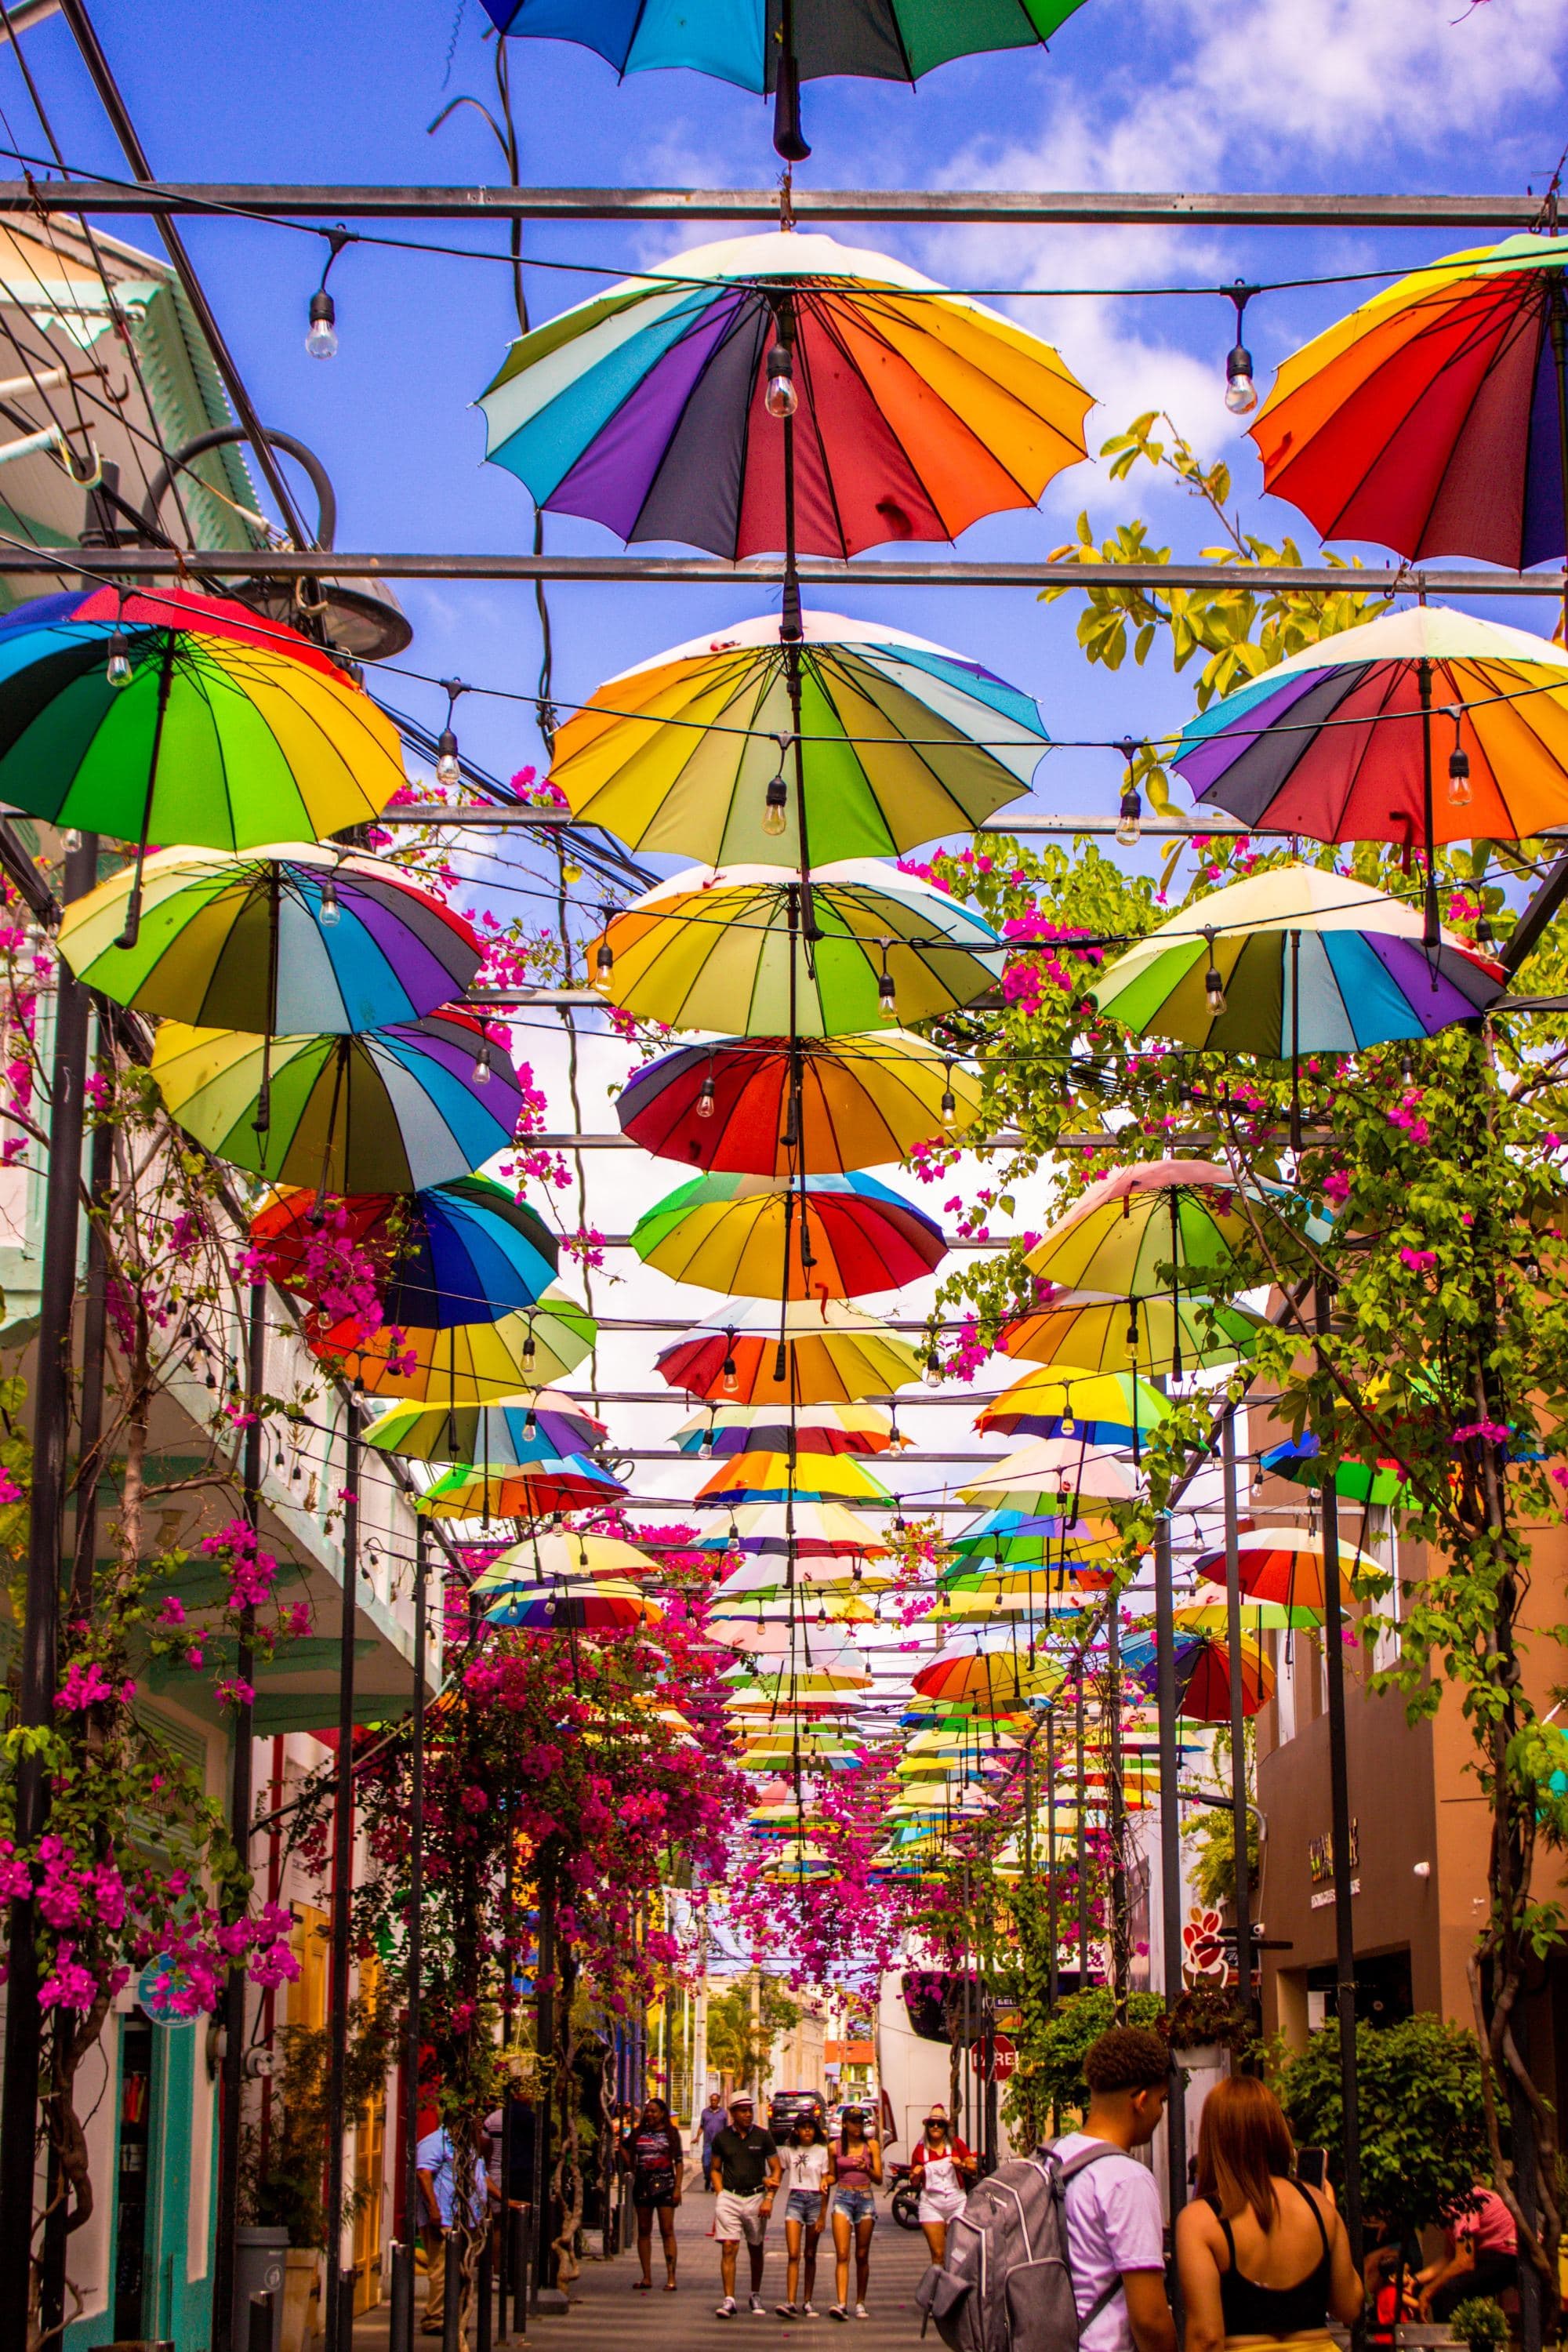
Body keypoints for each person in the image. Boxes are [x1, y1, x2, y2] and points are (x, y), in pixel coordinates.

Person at [1176, 2075, 1362, 2352]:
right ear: (1275, 2130)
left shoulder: (1202, 2220)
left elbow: (1207, 2337)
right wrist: (1330, 2219)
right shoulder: (1318, 2205)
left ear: (1214, 2138)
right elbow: (1348, 2306)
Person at [1048, 2026, 1178, 2352]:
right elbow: (1149, 2318)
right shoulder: (1127, 2179)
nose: (1161, 2112)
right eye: (1162, 2100)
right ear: (1142, 2100)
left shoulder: (1051, 2158)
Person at [415, 2116, 492, 2338]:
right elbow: (423, 2173)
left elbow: (482, 2176)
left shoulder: (469, 2146)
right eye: (474, 2120)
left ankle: (453, 2315)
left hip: (467, 2218)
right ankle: (435, 2318)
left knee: (460, 2268)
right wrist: (434, 2209)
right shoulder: (436, 2142)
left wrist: (503, 2201)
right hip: (444, 2219)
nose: (479, 2124)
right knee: (442, 2268)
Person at [710, 2091, 782, 2318]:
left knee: (755, 2247)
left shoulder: (762, 2136)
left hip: (756, 2197)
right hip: (730, 2197)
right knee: (729, 2246)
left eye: (750, 2110)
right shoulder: (722, 2138)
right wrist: (721, 2194)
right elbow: (715, 2168)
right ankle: (729, 2299)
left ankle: (755, 2293)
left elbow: (776, 2169)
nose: (748, 2114)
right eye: (743, 2111)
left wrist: (769, 2198)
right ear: (732, 2113)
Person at [1417, 2181, 1519, 2321]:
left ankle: (1453, 2341)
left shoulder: (1459, 2202)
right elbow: (1448, 2258)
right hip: (1487, 2256)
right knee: (1440, 2290)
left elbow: (1464, 2262)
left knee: (1447, 2291)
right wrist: (1415, 2281)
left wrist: (1428, 2291)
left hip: (1508, 2254)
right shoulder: (1446, 2211)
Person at [622, 2093, 684, 2293]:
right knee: (643, 2230)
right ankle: (646, 2276)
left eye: (654, 2111)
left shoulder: (672, 2134)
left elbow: (679, 2162)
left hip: (666, 2185)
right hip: (642, 2186)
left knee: (667, 2230)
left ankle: (671, 2277)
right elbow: (623, 2148)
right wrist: (632, 2166)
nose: (650, 2115)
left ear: (662, 2114)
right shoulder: (638, 2133)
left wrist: (677, 2188)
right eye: (648, 2111)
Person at [828, 2105, 883, 2321]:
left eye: (861, 2122)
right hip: (843, 2197)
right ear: (845, 2124)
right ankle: (841, 2303)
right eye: (854, 2122)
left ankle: (860, 2302)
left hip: (865, 2199)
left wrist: (866, 2169)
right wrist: (825, 2181)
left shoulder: (872, 2146)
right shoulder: (834, 2147)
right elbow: (832, 2175)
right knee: (842, 2254)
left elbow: (879, 2178)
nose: (858, 2125)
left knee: (862, 2255)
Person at [776, 2109, 833, 2319]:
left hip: (815, 2200)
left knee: (810, 2254)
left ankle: (807, 2300)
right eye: (803, 2127)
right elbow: (777, 2171)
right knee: (793, 2253)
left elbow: (826, 2183)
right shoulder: (788, 2151)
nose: (807, 2131)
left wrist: (822, 2215)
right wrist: (769, 2191)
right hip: (795, 2199)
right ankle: (790, 2301)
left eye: (810, 2127)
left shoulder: (821, 2151)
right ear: (797, 2131)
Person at [911, 2108, 977, 2265]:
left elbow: (972, 2168)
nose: (935, 2127)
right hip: (932, 2204)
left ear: (945, 2127)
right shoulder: (920, 2150)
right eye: (931, 2124)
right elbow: (913, 2182)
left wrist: (960, 2164)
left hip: (957, 2202)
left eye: (939, 2124)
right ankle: (940, 2287)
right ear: (927, 2127)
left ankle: (957, 2286)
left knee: (959, 2253)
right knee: (938, 2254)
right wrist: (916, 2174)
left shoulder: (956, 2144)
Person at [695, 2089, 728, 2190]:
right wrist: (697, 2137)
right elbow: (702, 2126)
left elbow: (726, 2128)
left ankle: (715, 2183)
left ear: (718, 2101)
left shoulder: (724, 2113)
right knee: (706, 2163)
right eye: (712, 2100)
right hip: (708, 2143)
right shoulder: (705, 2112)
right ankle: (708, 2178)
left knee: (717, 2164)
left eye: (715, 2100)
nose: (713, 2102)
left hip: (720, 2143)